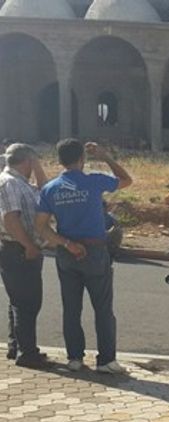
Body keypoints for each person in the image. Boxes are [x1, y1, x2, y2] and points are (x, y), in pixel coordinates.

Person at [36, 139, 133, 374]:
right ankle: (106, 361)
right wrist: (106, 157)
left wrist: (66, 244)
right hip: (95, 251)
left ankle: (75, 359)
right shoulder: (93, 181)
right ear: (82, 158)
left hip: (67, 253)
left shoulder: (50, 189)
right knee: (102, 308)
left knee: (71, 308)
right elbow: (127, 180)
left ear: (60, 160)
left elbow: (41, 226)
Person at [0, 144, 50, 368]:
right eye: (34, 161)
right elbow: (10, 219)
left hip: (19, 249)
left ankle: (17, 346)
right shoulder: (9, 183)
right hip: (18, 249)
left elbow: (45, 190)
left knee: (19, 302)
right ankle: (27, 353)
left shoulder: (19, 182)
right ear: (27, 160)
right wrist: (28, 245)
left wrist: (36, 165)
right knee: (28, 302)